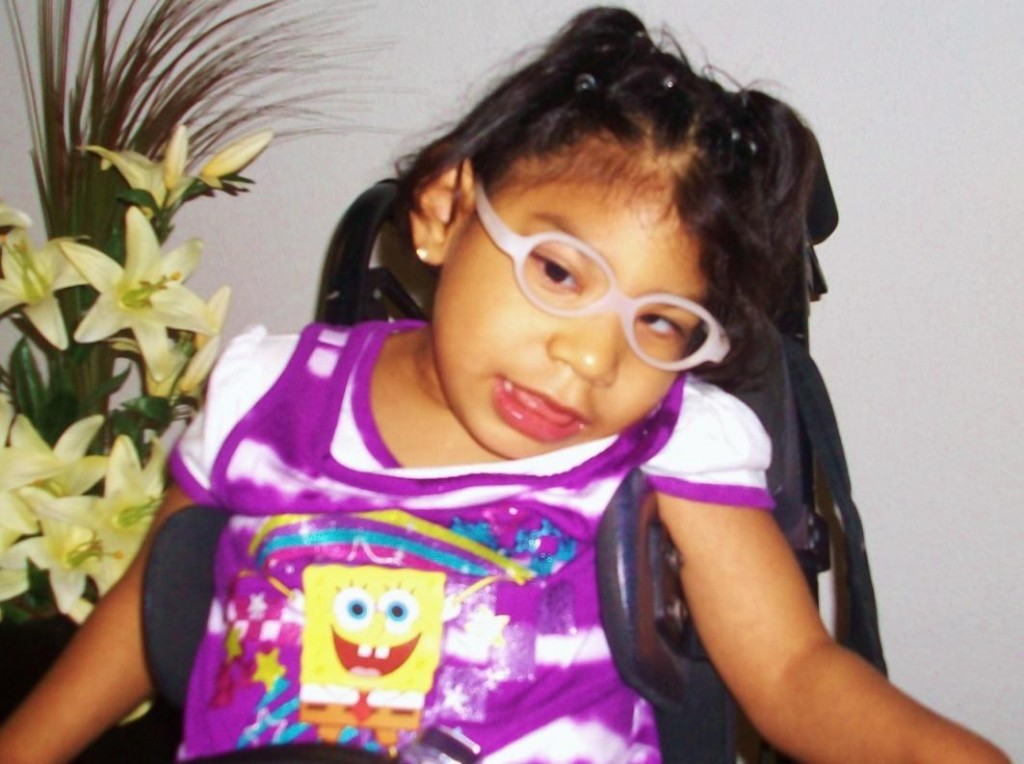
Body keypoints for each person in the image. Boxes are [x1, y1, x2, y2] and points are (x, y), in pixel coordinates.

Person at [0, 7, 1010, 764]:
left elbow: (792, 672)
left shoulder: (670, 442)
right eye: (560, 273)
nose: (591, 359)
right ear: (444, 210)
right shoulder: (269, 398)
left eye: (659, 323)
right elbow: (154, 606)